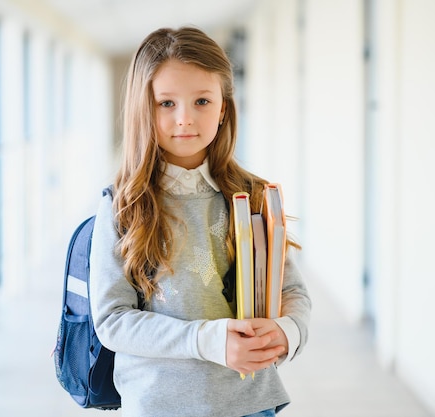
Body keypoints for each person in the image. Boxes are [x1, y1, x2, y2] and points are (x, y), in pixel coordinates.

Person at [89, 26, 311, 417]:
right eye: (167, 103)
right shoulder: (124, 205)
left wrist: (286, 332)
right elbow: (112, 321)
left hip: (251, 404)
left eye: (202, 101)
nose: (185, 119)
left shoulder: (253, 195)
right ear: (145, 108)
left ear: (223, 108)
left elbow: (291, 291)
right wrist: (208, 339)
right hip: (158, 405)